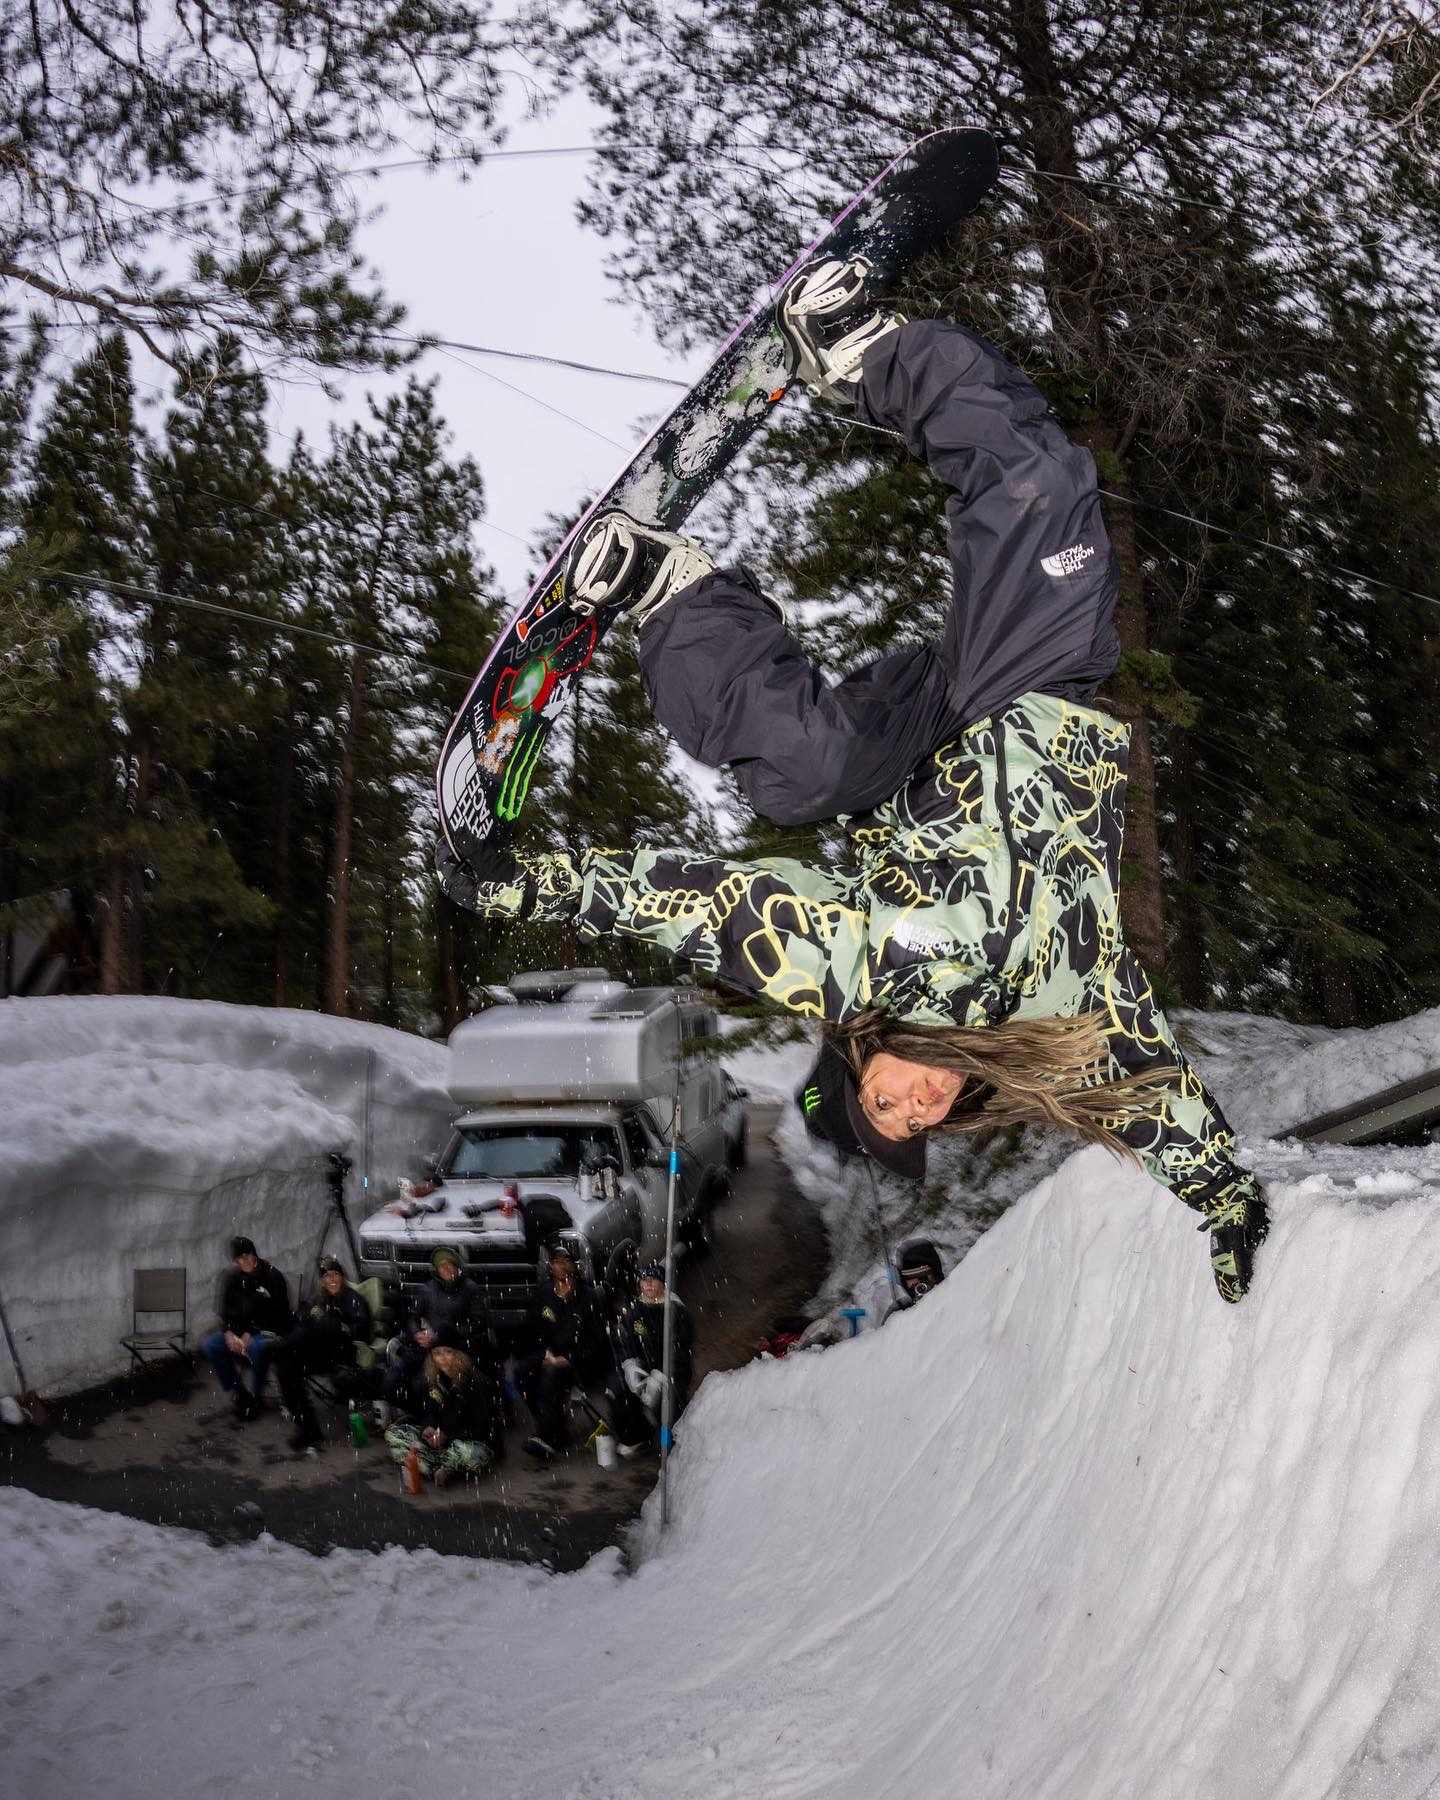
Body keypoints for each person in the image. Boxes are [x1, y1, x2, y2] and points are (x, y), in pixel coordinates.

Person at [440, 261, 1269, 1306]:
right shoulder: (1067, 1027)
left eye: (887, 1104)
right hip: (1034, 702)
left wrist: (528, 885)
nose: (916, 1105)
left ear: (858, 1061)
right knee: (1045, 501)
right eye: (922, 1120)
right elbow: (1156, 1101)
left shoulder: (856, 973)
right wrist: (1228, 1199)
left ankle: (682, 587)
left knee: (802, 774)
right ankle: (855, 369)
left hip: (912, 753)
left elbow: (704, 904)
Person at [272, 1255, 374, 1451]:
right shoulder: (318, 1301)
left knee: (324, 1324)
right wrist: (309, 1316)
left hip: (339, 1355)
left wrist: (338, 1323)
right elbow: (301, 1317)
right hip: (314, 1353)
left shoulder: (353, 1299)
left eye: (335, 1274)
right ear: (322, 1281)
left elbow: (362, 1331)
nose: (332, 1279)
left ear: (342, 1277)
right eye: (327, 1276)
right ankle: (308, 1429)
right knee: (286, 1369)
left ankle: (280, 1347)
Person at [517, 1243, 608, 1459]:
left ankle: (549, 1438)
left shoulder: (589, 1297)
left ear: (575, 1266)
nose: (561, 1267)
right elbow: (532, 1330)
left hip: (579, 1362)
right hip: (549, 1354)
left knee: (551, 1375)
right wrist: (545, 1353)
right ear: (550, 1266)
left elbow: (598, 1341)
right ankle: (549, 1424)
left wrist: (570, 1358)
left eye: (566, 1261)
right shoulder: (544, 1293)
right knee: (522, 1371)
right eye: (557, 1262)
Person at [382, 1245, 495, 1418]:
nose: (447, 1269)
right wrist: (417, 1334)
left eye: (450, 1264)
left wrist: (447, 1334)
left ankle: (444, 1419)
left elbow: (478, 1322)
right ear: (436, 1269)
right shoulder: (427, 1289)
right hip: (428, 1347)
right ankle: (421, 1416)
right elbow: (413, 1318)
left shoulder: (471, 1289)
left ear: (457, 1267)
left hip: (458, 1346)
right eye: (442, 1265)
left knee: (425, 1384)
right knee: (392, 1383)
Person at [383, 1327, 497, 1487]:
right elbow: (429, 1413)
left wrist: (448, 1436)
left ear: (459, 1354)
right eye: (437, 1353)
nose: (442, 1358)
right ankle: (435, 1468)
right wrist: (427, 1428)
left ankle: (435, 1465)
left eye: (448, 1352)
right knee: (396, 1433)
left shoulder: (477, 1382)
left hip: (469, 1441)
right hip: (440, 1442)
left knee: (469, 1453)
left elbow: (483, 1428)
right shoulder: (433, 1379)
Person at [605, 1263, 694, 1456]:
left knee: (669, 1403)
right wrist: (630, 1364)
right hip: (643, 1367)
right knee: (616, 1389)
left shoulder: (678, 1312)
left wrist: (661, 1375)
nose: (649, 1285)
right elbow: (624, 1342)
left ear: (663, 1284)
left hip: (671, 1371)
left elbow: (680, 1349)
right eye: (645, 1281)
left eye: (654, 1280)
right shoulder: (634, 1311)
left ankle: (667, 1444)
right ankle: (634, 1436)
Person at [200, 1236, 291, 1420]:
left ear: (254, 1254)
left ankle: (257, 1398)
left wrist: (251, 1333)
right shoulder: (232, 1279)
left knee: (258, 1348)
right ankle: (240, 1393)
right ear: (236, 1260)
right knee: (211, 1345)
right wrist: (228, 1333)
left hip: (268, 1333)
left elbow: (279, 1314)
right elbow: (225, 1312)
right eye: (241, 1257)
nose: (246, 1260)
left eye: (249, 1255)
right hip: (239, 1333)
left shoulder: (272, 1276)